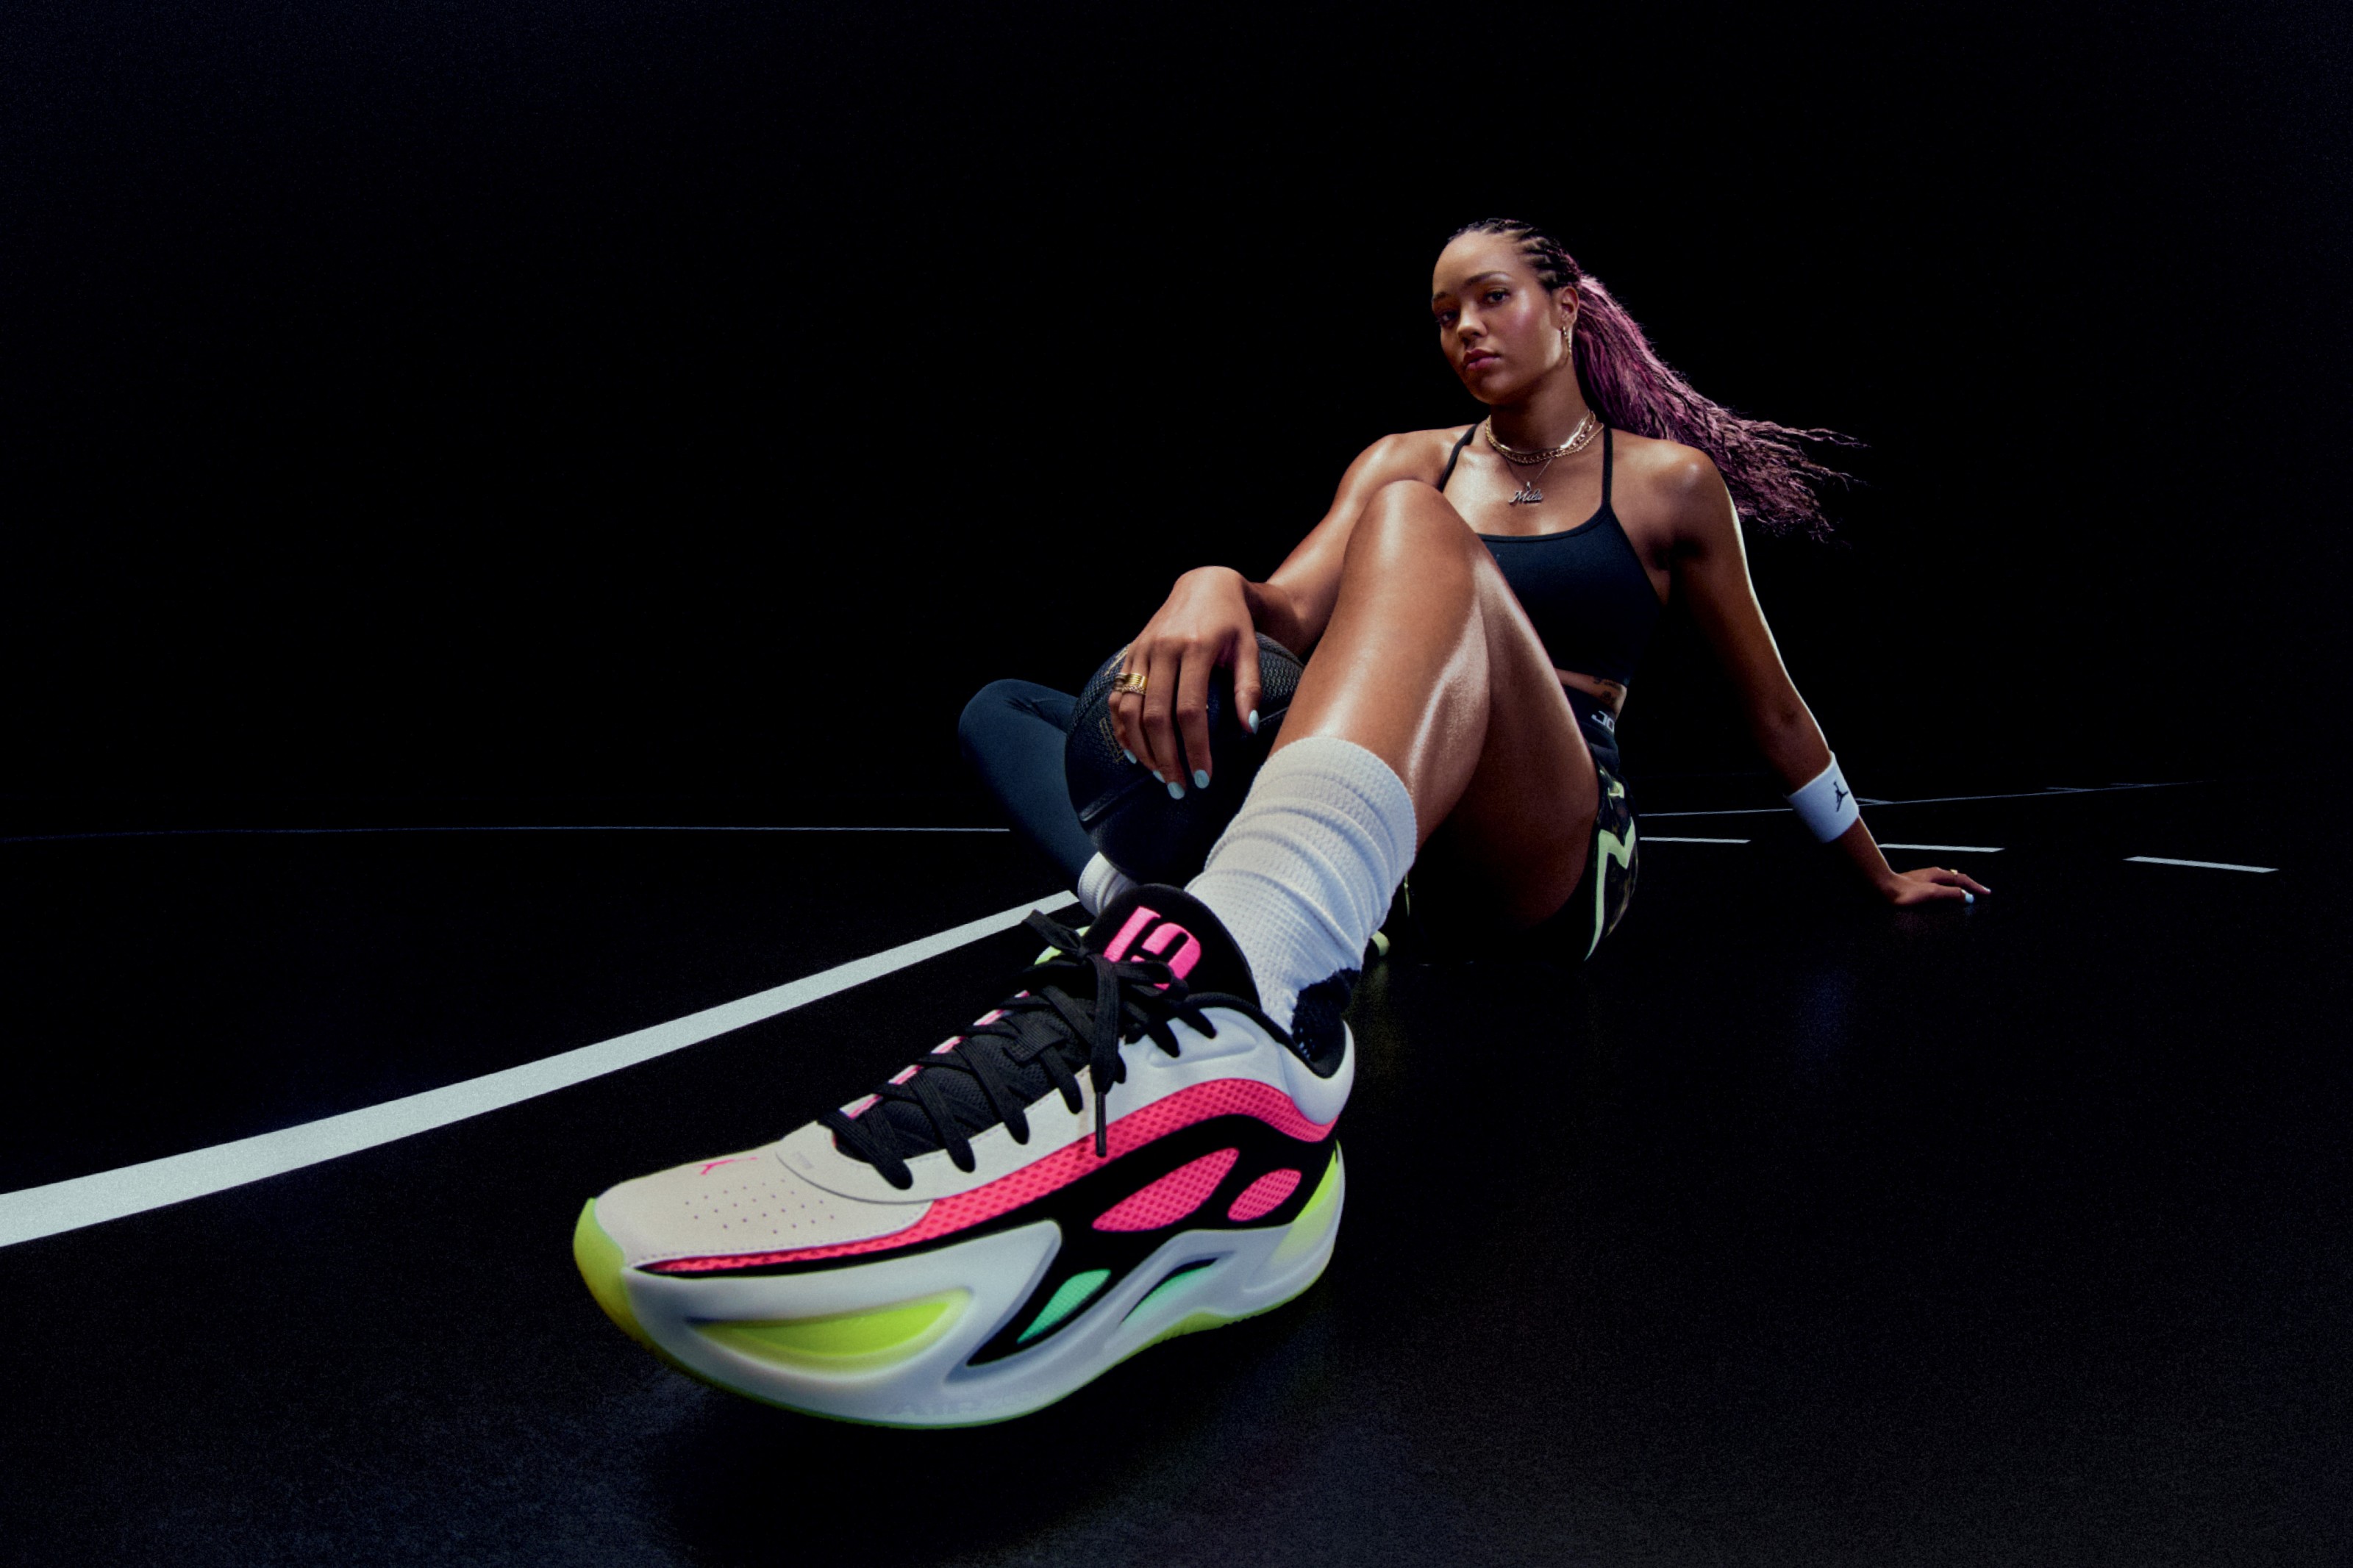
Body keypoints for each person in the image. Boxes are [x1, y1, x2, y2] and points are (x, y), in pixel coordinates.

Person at [571, 219, 1990, 1427]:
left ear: (1569, 302)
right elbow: (1284, 615)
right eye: (1442, 313)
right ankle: (1223, 931)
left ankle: (1240, 1009)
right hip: (1402, 842)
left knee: (1412, 538)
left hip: (1553, 842)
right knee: (1014, 705)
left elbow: (1774, 710)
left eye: (1492, 296)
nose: (1465, 328)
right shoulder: (1404, 458)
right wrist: (1209, 581)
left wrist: (1873, 876)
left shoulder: (1664, 483)